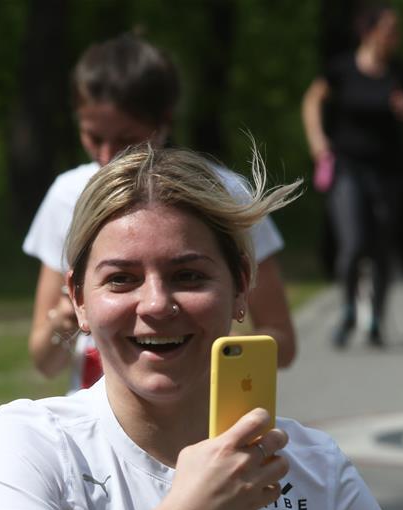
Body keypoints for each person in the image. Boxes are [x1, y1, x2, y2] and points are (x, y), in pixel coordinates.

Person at [0, 145, 403, 510]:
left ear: (242, 287)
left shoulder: (315, 472)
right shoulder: (32, 442)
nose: (156, 304)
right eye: (121, 279)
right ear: (78, 299)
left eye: (188, 276)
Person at [24, 34, 297, 394]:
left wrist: (189, 352)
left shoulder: (224, 194)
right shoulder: (67, 195)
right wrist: (64, 322)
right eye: (93, 137)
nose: (108, 156)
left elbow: (282, 339)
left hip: (201, 418)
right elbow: (44, 362)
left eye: (126, 139)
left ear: (165, 120)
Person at [302, 5, 403, 349]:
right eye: (389, 30)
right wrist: (318, 142)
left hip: (388, 171)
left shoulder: (401, 72)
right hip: (348, 168)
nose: (395, 37)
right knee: (353, 243)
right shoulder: (341, 69)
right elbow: (312, 100)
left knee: (382, 246)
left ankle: (376, 320)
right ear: (369, 32)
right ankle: (347, 310)